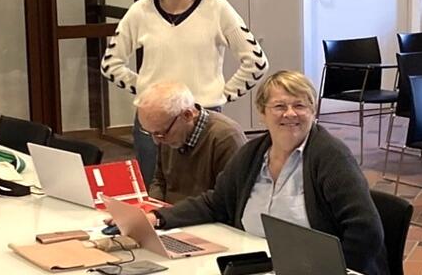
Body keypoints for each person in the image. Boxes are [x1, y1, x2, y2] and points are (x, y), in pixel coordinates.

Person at [129, 71, 388, 274]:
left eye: (300, 105)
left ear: (313, 110)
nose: (290, 114)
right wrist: (157, 218)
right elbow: (216, 202)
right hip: (258, 262)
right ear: (262, 112)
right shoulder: (253, 154)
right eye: (279, 106)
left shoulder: (331, 157)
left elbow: (365, 230)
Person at [101, 0, 267, 184]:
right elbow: (110, 65)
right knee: (154, 190)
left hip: (204, 117)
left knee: (206, 190)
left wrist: (222, 94)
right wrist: (149, 92)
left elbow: (256, 62)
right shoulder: (140, 11)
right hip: (153, 122)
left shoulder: (217, 8)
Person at [136, 81, 246, 204]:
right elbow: (160, 180)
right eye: (150, 132)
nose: (156, 141)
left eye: (161, 133)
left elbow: (229, 198)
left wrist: (172, 213)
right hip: (171, 211)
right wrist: (153, 207)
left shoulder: (226, 138)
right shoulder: (168, 130)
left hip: (204, 212)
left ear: (187, 115)